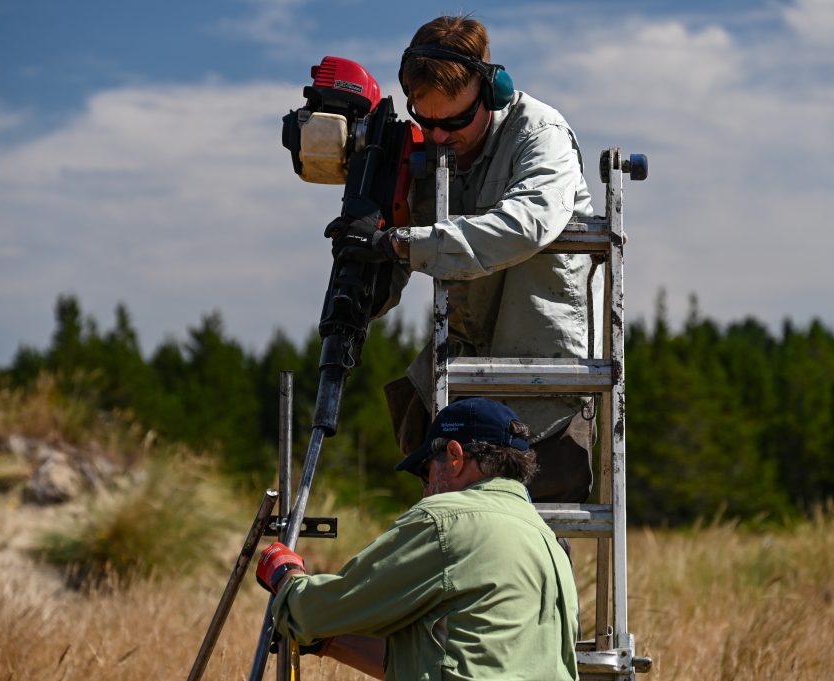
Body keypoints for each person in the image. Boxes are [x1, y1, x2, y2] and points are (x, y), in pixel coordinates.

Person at [326, 14, 598, 504]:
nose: (437, 136)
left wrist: (404, 242)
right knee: (453, 539)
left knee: (536, 546)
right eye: (424, 120)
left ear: (491, 92)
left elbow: (528, 222)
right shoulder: (426, 152)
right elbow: (390, 274)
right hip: (459, 384)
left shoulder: (541, 134)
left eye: (453, 121)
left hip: (542, 384)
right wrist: (369, 243)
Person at [256, 397, 579, 681]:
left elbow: (315, 613)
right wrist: (329, 641)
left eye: (426, 474)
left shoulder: (446, 519)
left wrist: (286, 577)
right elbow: (444, 663)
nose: (425, 490)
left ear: (454, 456)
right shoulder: (545, 537)